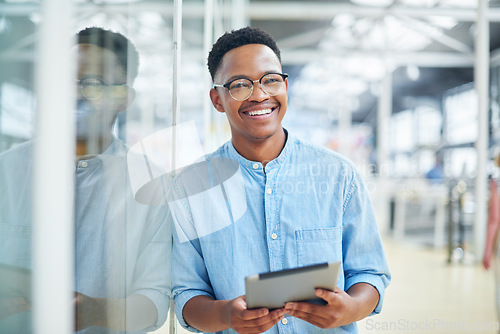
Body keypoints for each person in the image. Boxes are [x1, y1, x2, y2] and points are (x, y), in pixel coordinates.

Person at [171, 27, 390, 333]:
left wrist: (351, 308)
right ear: (217, 99)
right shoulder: (191, 188)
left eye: (270, 80)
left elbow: (369, 273)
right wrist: (225, 315)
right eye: (239, 85)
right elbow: (186, 293)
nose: (259, 95)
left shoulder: (338, 175)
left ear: (286, 86)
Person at [0, 27, 171, 333]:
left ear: (124, 98)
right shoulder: (8, 170)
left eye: (93, 84)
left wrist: (97, 312)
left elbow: (156, 297)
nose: (76, 94)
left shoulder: (149, 185)